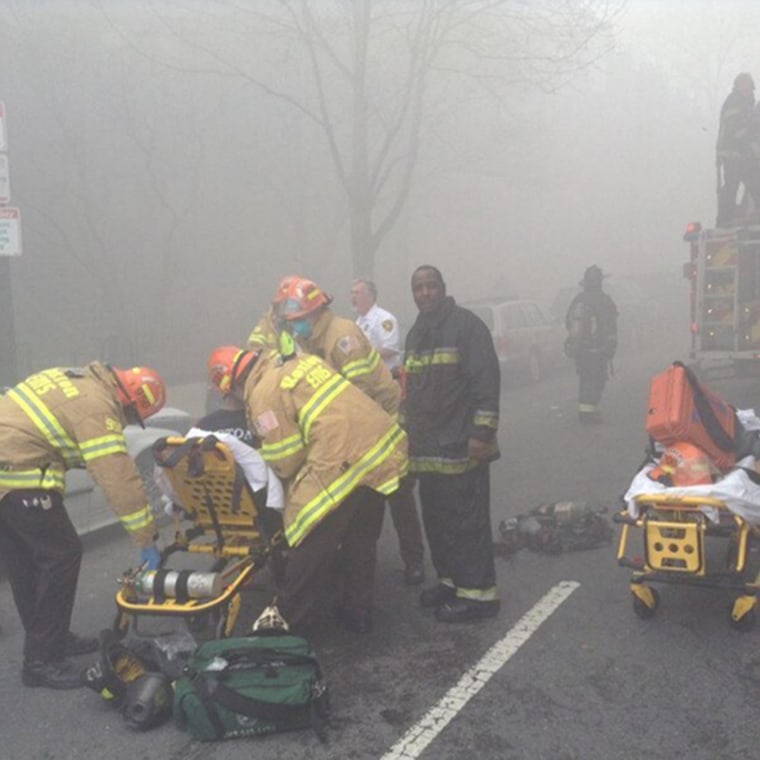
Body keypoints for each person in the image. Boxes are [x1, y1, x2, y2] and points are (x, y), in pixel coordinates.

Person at [207, 345, 408, 635]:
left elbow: (285, 460)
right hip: (378, 447)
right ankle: (357, 611)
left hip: (341, 457)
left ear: (232, 386)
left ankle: (287, 622)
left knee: (307, 531)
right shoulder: (295, 363)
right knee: (360, 537)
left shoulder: (263, 394)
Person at [0, 362, 166, 689]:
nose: (126, 423)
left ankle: (49, 639)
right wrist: (146, 539)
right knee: (62, 555)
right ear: (127, 399)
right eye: (130, 416)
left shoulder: (73, 381)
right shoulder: (97, 407)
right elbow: (116, 475)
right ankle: (42, 661)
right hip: (20, 476)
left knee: (25, 563)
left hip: (6, 475)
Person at [403, 266, 501, 623]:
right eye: (418, 288)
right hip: (428, 452)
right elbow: (409, 392)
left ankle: (479, 596)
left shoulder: (467, 326)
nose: (425, 293)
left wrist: (481, 434)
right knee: (438, 523)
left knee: (467, 524)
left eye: (431, 286)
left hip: (463, 447)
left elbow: (486, 383)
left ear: (443, 288)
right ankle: (450, 582)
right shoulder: (415, 333)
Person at [351, 278, 426, 585]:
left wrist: (360, 353)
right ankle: (362, 570)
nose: (352, 296)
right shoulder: (356, 323)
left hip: (389, 405)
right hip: (364, 413)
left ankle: (414, 562)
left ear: (370, 293)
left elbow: (390, 349)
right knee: (366, 506)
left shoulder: (383, 320)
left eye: (357, 292)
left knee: (400, 498)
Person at [277, 276, 399, 415]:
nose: (296, 325)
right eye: (292, 321)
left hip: (379, 410)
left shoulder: (343, 335)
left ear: (316, 310)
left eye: (299, 319)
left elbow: (360, 388)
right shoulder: (311, 339)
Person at [564, 265, 618, 424]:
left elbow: (568, 321)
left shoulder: (578, 299)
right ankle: (588, 413)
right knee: (597, 380)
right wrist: (611, 346)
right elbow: (610, 326)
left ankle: (586, 411)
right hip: (598, 350)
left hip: (581, 350)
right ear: (600, 282)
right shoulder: (605, 300)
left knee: (585, 379)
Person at [716, 72, 757, 228]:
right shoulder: (734, 103)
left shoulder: (747, 105)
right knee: (733, 187)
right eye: (745, 86)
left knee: (751, 185)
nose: (748, 89)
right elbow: (736, 131)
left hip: (742, 156)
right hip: (732, 155)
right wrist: (751, 129)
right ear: (738, 86)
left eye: (749, 86)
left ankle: (729, 218)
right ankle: (724, 220)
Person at [246, 275, 298, 353]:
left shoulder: (311, 324)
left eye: (294, 305)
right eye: (284, 304)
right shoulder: (268, 324)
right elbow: (253, 350)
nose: (289, 311)